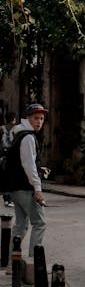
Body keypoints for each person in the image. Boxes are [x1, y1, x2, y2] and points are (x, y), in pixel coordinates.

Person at [8, 103, 49, 257]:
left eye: (42, 118)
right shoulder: (28, 137)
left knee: (21, 226)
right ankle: (34, 263)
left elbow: (24, 163)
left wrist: (39, 169)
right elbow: (28, 165)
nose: (39, 122)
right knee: (39, 223)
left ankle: (11, 262)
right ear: (28, 119)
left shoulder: (19, 134)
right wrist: (38, 189)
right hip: (26, 188)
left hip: (16, 187)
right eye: (36, 118)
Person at [1, 111, 16, 207]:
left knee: (5, 177)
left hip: (3, 156)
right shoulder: (16, 129)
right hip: (12, 156)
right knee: (11, 178)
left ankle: (7, 199)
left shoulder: (1, 129)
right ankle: (10, 199)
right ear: (13, 119)